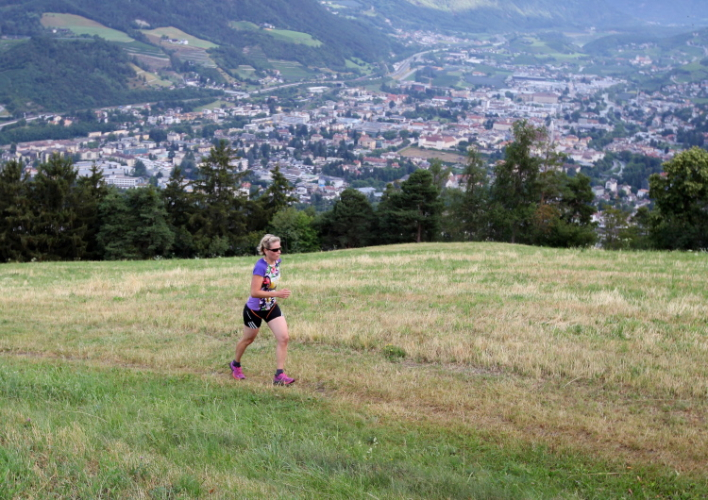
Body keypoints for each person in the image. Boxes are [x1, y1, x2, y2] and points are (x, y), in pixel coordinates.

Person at [230, 234, 295, 385]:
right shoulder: (260, 267)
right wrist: (277, 293)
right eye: (275, 250)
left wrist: (274, 295)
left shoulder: (277, 262)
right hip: (254, 310)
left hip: (270, 306)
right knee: (248, 339)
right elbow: (255, 292)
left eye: (280, 248)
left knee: (284, 338)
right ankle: (235, 364)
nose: (279, 252)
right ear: (265, 250)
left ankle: (279, 375)